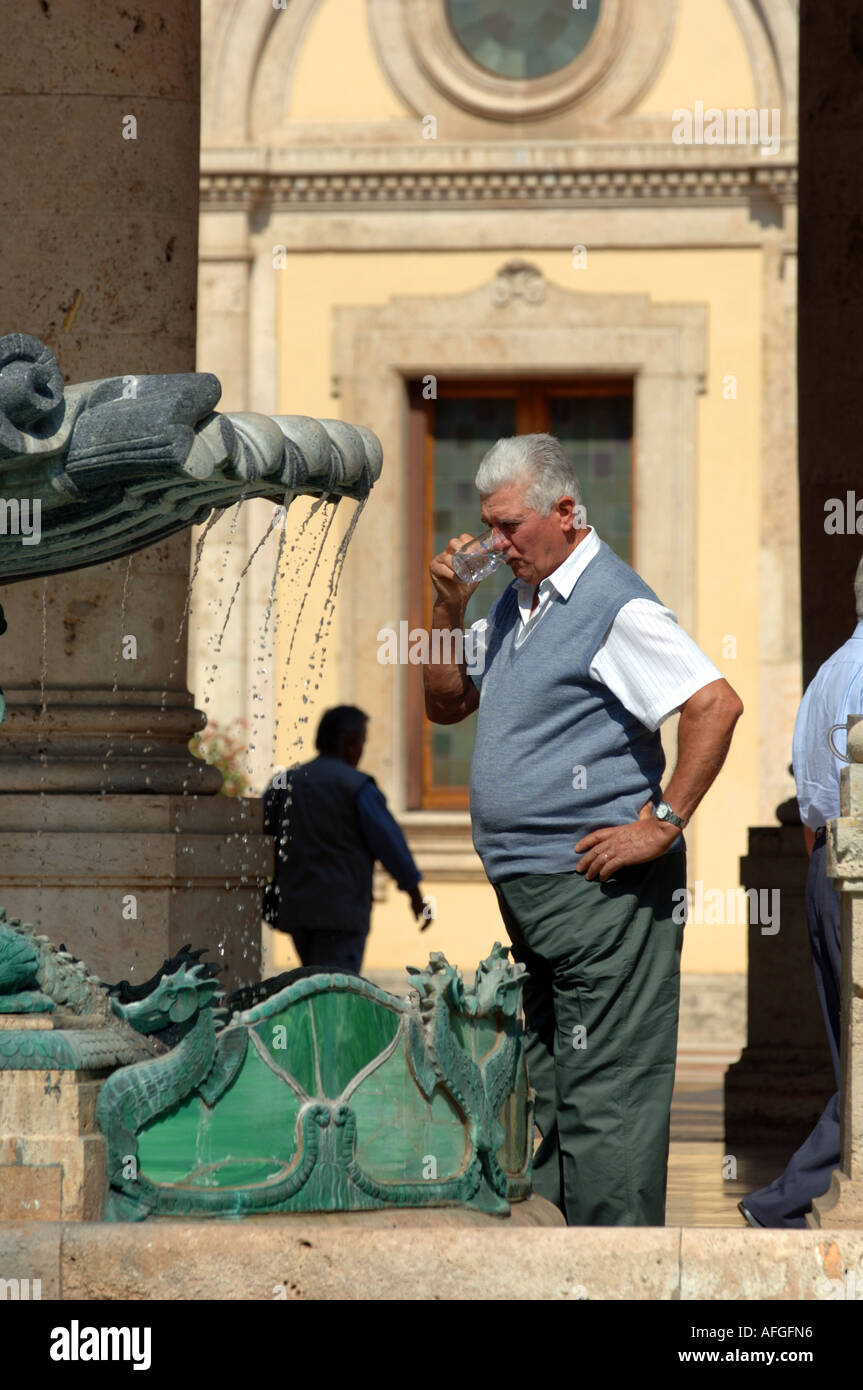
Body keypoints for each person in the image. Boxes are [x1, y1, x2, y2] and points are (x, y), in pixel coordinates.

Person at [424, 433, 743, 1226]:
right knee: (555, 1089)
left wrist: (662, 822)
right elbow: (443, 702)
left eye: (509, 528)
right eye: (489, 528)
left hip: (602, 895)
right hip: (536, 894)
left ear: (565, 512)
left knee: (610, 1095)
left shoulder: (615, 603)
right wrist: (442, 607)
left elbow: (715, 702)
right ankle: (570, 1265)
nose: (495, 545)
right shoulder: (516, 602)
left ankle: (620, 1271)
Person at [739, 554, 863, 1227]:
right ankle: (785, 1199)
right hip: (853, 870)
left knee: (857, 1060)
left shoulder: (830, 670)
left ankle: (784, 1200)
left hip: (826, 865)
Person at [262, 705, 428, 973]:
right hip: (341, 914)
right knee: (338, 991)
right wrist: (415, 895)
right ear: (351, 743)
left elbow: (260, 835)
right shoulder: (357, 786)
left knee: (312, 983)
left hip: (296, 910)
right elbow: (390, 844)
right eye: (362, 741)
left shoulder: (285, 782)